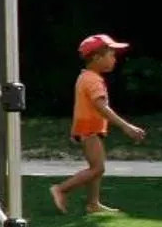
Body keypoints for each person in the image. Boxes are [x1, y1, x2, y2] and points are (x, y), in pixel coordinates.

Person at [51, 33, 147, 215]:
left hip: (86, 128)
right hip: (90, 129)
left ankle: (93, 204)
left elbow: (80, 106)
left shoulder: (85, 77)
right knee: (97, 168)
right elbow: (102, 107)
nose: (114, 59)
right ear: (96, 58)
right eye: (111, 55)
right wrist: (127, 127)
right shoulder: (93, 80)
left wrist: (75, 130)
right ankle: (61, 190)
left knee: (97, 168)